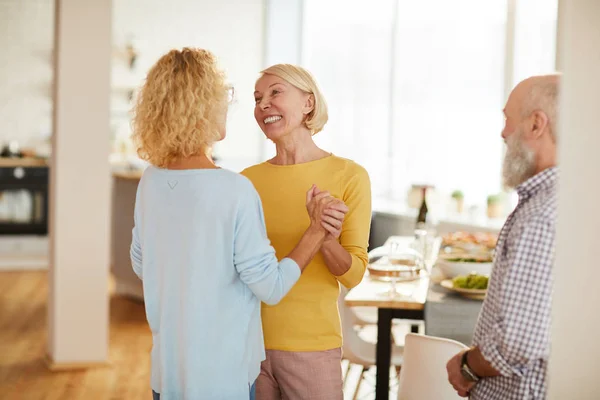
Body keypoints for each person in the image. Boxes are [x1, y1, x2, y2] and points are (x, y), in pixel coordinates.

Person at [129, 48, 347, 400]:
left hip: (167, 373)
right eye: (224, 98)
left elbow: (142, 264)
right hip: (221, 377)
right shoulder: (235, 188)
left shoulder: (151, 181)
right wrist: (316, 232)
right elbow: (270, 287)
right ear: (202, 106)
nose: (230, 107)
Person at [241, 64, 372, 399]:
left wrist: (325, 238)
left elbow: (354, 274)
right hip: (247, 346)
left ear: (308, 103)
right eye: (257, 98)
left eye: (275, 93)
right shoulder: (245, 181)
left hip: (312, 346)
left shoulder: (348, 175)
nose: (263, 104)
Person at [446, 74, 560, 399]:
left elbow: (518, 344)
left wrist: (465, 365)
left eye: (508, 119)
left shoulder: (542, 215)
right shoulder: (558, 200)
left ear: (537, 124)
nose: (503, 133)